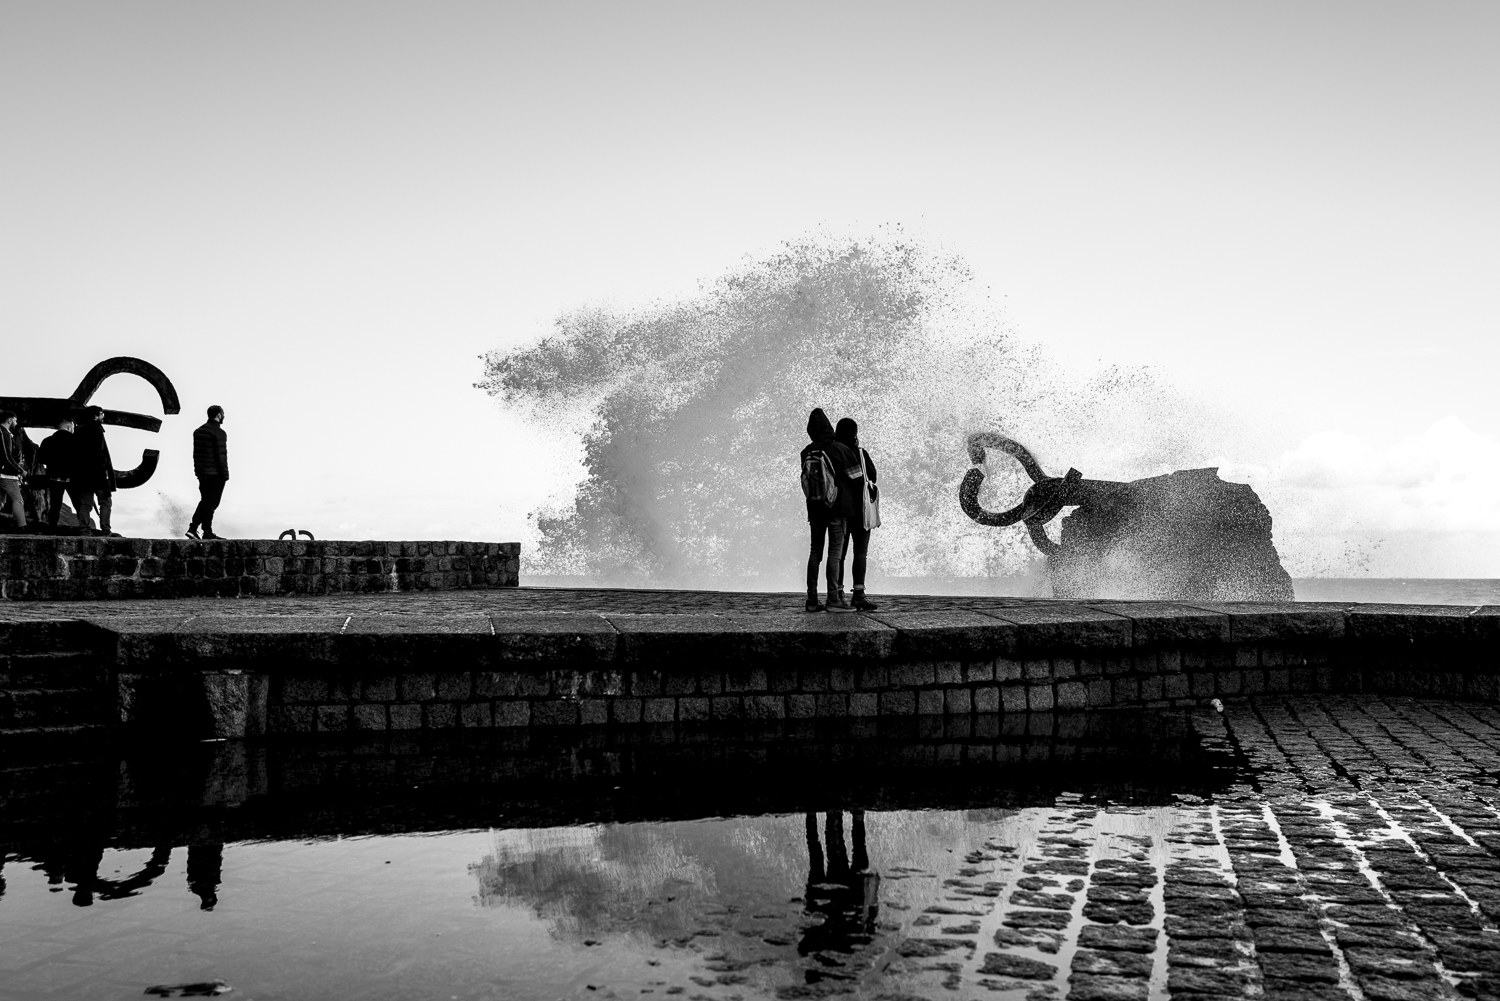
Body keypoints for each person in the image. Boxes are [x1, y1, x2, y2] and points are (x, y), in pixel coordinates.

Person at [801, 408, 864, 612]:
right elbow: (858, 478)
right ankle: (833, 599)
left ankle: (812, 600)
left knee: (815, 553)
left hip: (814, 509)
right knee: (835, 553)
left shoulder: (807, 451)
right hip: (836, 509)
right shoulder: (838, 448)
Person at [835, 417, 879, 611]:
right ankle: (859, 594)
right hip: (861, 511)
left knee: (839, 554)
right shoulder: (860, 453)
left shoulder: (834, 452)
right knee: (860, 552)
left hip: (841, 511)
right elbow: (873, 476)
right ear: (854, 433)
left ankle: (837, 593)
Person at [72, 406, 117, 536]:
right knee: (105, 502)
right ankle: (106, 530)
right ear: (95, 416)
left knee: (86, 504)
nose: (103, 416)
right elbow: (98, 452)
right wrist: (105, 465)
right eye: (101, 414)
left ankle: (84, 529)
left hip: (83, 474)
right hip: (99, 474)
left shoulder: (78, 430)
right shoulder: (97, 430)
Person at [187, 405, 229, 540]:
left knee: (205, 502)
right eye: (223, 413)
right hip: (215, 474)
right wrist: (225, 475)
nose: (224, 416)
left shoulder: (198, 431)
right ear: (218, 415)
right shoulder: (219, 432)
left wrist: (198, 472)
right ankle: (205, 532)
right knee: (210, 503)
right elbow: (221, 456)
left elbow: (196, 454)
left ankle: (195, 529)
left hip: (202, 473)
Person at [38, 418, 87, 530]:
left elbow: (41, 458)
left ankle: (52, 529)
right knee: (79, 505)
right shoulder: (77, 440)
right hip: (73, 478)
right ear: (69, 427)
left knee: (55, 505)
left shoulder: (47, 441)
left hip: (54, 478)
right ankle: (85, 529)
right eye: (73, 427)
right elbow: (82, 460)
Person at [0, 411, 28, 531]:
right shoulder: (4, 433)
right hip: (6, 474)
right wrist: (20, 470)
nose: (16, 423)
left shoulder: (6, 433)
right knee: (17, 499)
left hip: (4, 473)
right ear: (9, 420)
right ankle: (22, 527)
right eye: (15, 420)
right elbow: (7, 456)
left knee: (0, 501)